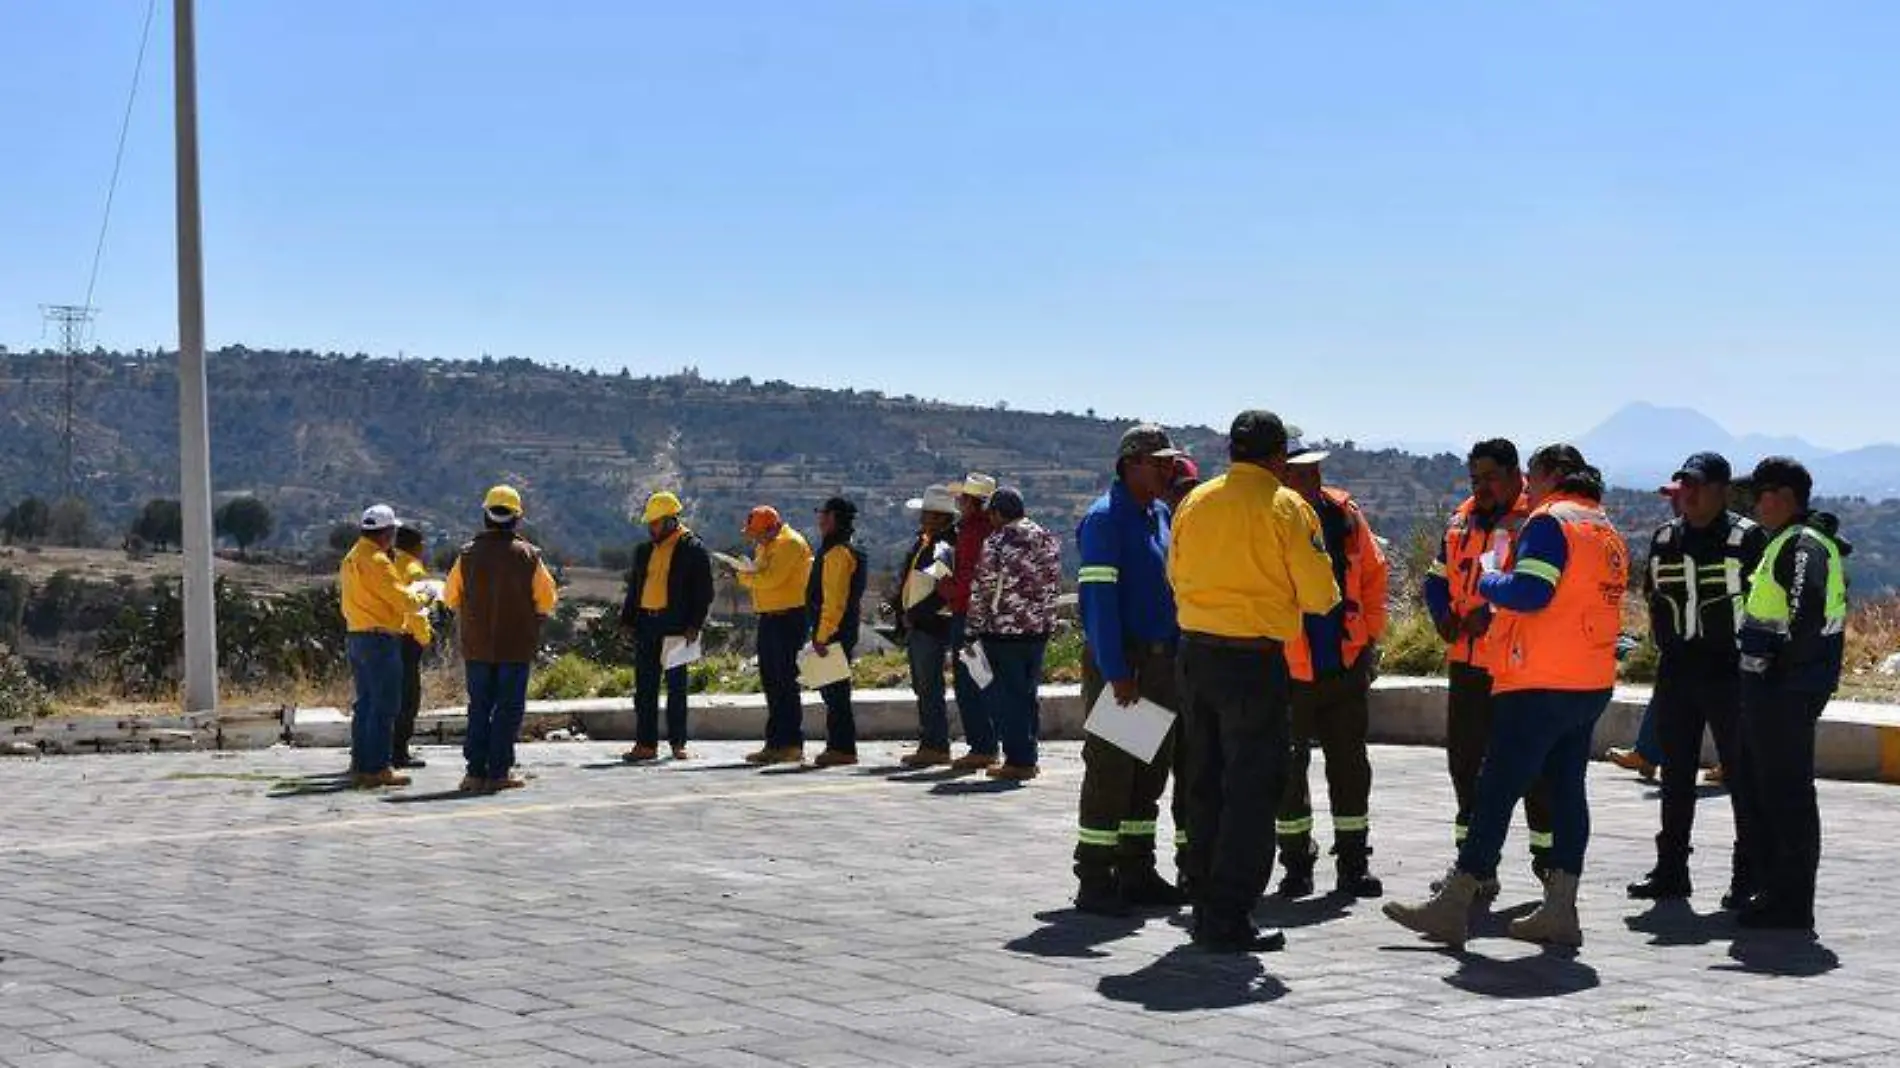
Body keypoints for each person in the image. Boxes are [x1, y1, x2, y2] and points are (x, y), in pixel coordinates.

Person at [1385, 445, 1627, 948]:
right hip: (1589, 679)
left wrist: (1491, 581)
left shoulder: (1550, 521)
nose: (1530, 488)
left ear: (1549, 477)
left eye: (1533, 477)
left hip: (1540, 679)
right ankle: (1560, 908)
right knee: (1566, 790)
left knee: (1494, 789)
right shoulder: (1603, 528)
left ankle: (1453, 905)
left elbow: (1532, 592)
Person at [1169, 410, 1341, 954]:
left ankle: (1201, 899)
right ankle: (1229, 915)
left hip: (1195, 655)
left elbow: (1174, 573)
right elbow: (1319, 596)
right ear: (1278, 457)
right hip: (1254, 663)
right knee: (1251, 789)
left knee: (1203, 781)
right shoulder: (1289, 507)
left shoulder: (1196, 500)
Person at [1626, 453, 1766, 904]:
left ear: (1723, 490)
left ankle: (1747, 877)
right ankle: (1671, 871)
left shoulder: (1748, 539)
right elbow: (1653, 595)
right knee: (1676, 775)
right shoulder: (1665, 537)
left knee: (1741, 776)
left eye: (1699, 485)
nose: (1688, 493)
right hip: (1678, 670)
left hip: (1730, 672)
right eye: (1684, 484)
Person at [1422, 439, 1555, 890]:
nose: (1481, 487)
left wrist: (1493, 614)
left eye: (1490, 478)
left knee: (1533, 769)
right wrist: (1442, 615)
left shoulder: (1536, 520)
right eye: (1474, 479)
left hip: (1518, 667)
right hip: (1467, 664)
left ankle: (1550, 866)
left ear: (1517, 474)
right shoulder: (1462, 517)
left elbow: (1540, 589)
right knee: (1464, 763)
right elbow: (1436, 578)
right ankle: (1474, 869)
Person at [1072, 425, 1189, 916]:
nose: (1169, 471)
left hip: (1161, 663)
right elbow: (1099, 602)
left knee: (1148, 773)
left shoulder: (1158, 515)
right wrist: (1117, 669)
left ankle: (1137, 869)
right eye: (1159, 462)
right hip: (1126, 665)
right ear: (1130, 463)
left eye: (1169, 463)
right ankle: (1096, 878)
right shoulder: (1105, 520)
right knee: (1111, 773)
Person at [1730, 456, 1851, 931]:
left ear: (1781, 496)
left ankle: (1791, 901)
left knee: (1787, 795)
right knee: (1770, 789)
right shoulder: (1787, 541)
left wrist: (1781, 670)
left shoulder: (1802, 545)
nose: (1755, 505)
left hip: (1785, 691)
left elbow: (1808, 609)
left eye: (1759, 495)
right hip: (1778, 687)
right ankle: (1775, 890)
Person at [1274, 436, 1389, 900]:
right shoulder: (1269, 519)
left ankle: (1353, 864)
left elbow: (1374, 575)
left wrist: (1369, 640)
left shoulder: (1344, 514)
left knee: (1350, 766)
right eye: (1300, 471)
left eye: (1315, 469)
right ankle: (1297, 865)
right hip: (1288, 668)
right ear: (1281, 475)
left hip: (1343, 663)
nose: (1311, 478)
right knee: (1287, 769)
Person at [441, 486, 559, 793]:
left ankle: (474, 772)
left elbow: (449, 597)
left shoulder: (466, 555)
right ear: (517, 519)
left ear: (486, 516)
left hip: (477, 647)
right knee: (507, 709)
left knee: (479, 707)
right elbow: (546, 600)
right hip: (515, 647)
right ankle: (499, 771)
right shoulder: (529, 556)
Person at [963, 487, 1061, 782]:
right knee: (1027, 695)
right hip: (1038, 629)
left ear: (997, 513)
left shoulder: (998, 540)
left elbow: (983, 587)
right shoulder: (1045, 537)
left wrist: (972, 629)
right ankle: (1029, 754)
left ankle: (1019, 760)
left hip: (1004, 631)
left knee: (1008, 699)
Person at [618, 491, 714, 763]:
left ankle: (678, 743)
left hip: (677, 627)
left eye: (655, 523)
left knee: (676, 688)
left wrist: (695, 624)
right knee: (645, 688)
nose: (651, 528)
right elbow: (635, 588)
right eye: (650, 522)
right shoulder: (644, 550)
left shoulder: (692, 548)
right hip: (647, 623)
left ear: (671, 521)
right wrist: (627, 620)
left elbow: (704, 591)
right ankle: (645, 744)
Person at [339, 504, 426, 790]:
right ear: (387, 533)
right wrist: (423, 597)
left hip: (358, 635)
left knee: (365, 703)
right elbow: (401, 598)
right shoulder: (378, 560)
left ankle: (361, 762)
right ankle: (377, 767)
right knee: (385, 704)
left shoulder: (352, 557)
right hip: (380, 637)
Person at [1607, 484, 1690, 781]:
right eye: (1673, 497)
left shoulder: (1712, 535)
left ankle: (1648, 753)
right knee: (1668, 692)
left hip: (1703, 637)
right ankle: (1647, 754)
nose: (1676, 502)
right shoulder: (1670, 533)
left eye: (1680, 496)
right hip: (1676, 634)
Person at [728, 505, 813, 766]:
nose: (754, 539)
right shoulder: (767, 545)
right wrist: (747, 574)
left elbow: (770, 580)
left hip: (789, 618)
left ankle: (791, 744)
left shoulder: (790, 544)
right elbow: (760, 576)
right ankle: (775, 743)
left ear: (772, 527)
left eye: (757, 534)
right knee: (772, 681)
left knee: (786, 681)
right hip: (770, 617)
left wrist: (742, 576)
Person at [891, 485, 959, 768]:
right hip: (919, 622)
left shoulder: (944, 547)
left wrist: (915, 614)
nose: (923, 518)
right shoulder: (925, 542)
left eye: (929, 514)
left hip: (930, 624)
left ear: (943, 517)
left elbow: (942, 590)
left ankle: (935, 744)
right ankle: (929, 741)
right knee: (923, 685)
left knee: (929, 686)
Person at [937, 472, 1000, 770]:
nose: (958, 502)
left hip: (968, 613)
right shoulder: (991, 530)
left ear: (973, 502)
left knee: (968, 681)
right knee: (984, 678)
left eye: (963, 498)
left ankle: (982, 745)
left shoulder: (973, 533)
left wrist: (947, 589)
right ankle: (989, 742)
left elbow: (970, 576)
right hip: (987, 615)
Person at [810, 497, 868, 768]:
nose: (819, 519)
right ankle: (838, 745)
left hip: (833, 633)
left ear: (832, 518)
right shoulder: (842, 549)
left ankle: (842, 747)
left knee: (836, 694)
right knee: (833, 692)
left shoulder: (837, 553)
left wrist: (822, 635)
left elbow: (834, 601)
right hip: (838, 631)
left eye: (822, 514)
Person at [391, 524, 434, 770]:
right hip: (408, 639)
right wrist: (424, 637)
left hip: (388, 634)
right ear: (417, 546)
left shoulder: (389, 563)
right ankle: (399, 752)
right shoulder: (414, 570)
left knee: (388, 695)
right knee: (408, 699)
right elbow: (417, 611)